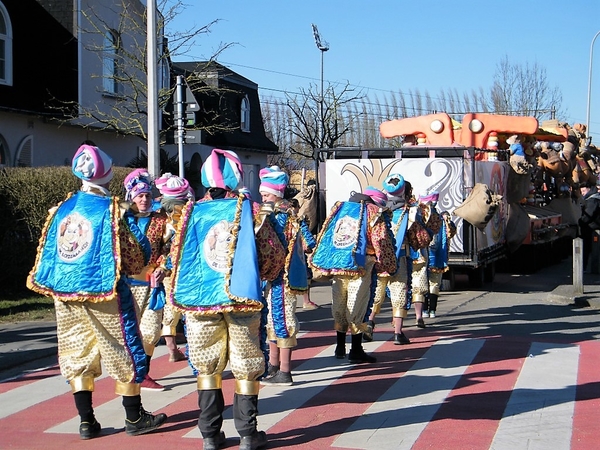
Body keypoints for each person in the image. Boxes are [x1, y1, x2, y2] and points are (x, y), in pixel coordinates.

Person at [27, 144, 167, 439]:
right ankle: (134, 417)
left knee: (75, 351)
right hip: (105, 291)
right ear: (106, 175)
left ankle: (87, 421)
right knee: (124, 348)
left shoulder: (62, 208)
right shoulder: (112, 210)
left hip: (65, 293)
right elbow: (132, 258)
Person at [168, 149, 285, 450]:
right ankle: (248, 433)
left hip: (201, 301)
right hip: (241, 299)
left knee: (207, 366)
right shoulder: (251, 210)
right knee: (246, 362)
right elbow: (272, 256)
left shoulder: (190, 213)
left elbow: (175, 259)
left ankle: (209, 434)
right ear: (236, 176)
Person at [310, 185, 397, 363]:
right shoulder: (373, 212)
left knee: (340, 303)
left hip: (338, 264)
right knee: (357, 305)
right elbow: (380, 241)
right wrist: (388, 266)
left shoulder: (341, 207)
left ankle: (339, 346)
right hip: (361, 264)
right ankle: (356, 349)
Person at [259, 166, 316, 387]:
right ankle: (274, 366)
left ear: (276, 194)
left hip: (282, 277)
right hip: (279, 277)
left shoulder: (278, 217)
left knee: (282, 320)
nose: (263, 198)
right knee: (273, 321)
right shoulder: (291, 214)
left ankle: (284, 370)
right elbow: (309, 242)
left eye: (266, 195)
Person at [123, 168, 170, 391]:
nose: (143, 199)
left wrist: (163, 266)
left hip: (152, 282)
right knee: (129, 329)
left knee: (151, 331)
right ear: (131, 197)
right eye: (139, 195)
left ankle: (144, 372)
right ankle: (130, 370)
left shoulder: (161, 220)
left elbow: (170, 248)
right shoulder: (123, 220)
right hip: (127, 283)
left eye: (147, 195)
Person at [364, 174, 412, 345]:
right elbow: (417, 237)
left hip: (379, 258)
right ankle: (398, 333)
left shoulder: (377, 211)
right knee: (399, 292)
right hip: (400, 258)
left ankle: (369, 322)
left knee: (376, 292)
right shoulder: (408, 211)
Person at [154, 173, 192, 363]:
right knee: (188, 308)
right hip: (186, 267)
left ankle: (172, 350)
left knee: (170, 308)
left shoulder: (159, 219)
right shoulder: (190, 216)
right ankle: (192, 348)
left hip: (166, 268)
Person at [420, 192, 456, 318]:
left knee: (422, 283)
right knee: (434, 283)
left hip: (422, 256)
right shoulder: (442, 219)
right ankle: (432, 310)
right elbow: (451, 232)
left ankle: (424, 310)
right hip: (437, 256)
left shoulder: (419, 218)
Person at [289, 197, 319, 310]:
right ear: (296, 208)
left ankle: (290, 302)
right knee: (305, 276)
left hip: (285, 253)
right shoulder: (298, 220)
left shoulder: (280, 218)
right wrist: (313, 245)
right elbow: (306, 234)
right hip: (297, 253)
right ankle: (306, 301)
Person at [578, 182, 600, 271]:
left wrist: (580, 221)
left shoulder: (592, 200)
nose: (582, 193)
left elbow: (588, 215)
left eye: (583, 191)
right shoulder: (595, 198)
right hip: (593, 227)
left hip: (591, 228)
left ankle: (588, 268)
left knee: (588, 249)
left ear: (589, 189)